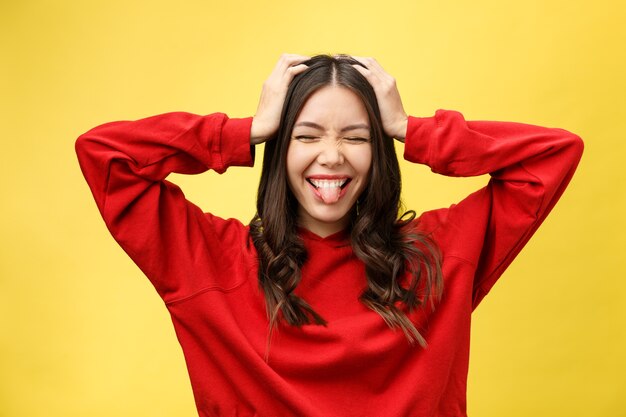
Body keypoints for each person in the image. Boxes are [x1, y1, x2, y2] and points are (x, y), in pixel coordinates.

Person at [75, 54, 583, 416]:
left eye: (357, 137)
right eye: (306, 135)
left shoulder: (439, 255)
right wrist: (246, 130)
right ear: (279, 145)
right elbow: (104, 155)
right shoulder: (211, 260)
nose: (332, 155)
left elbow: (554, 153)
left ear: (379, 150)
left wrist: (411, 128)